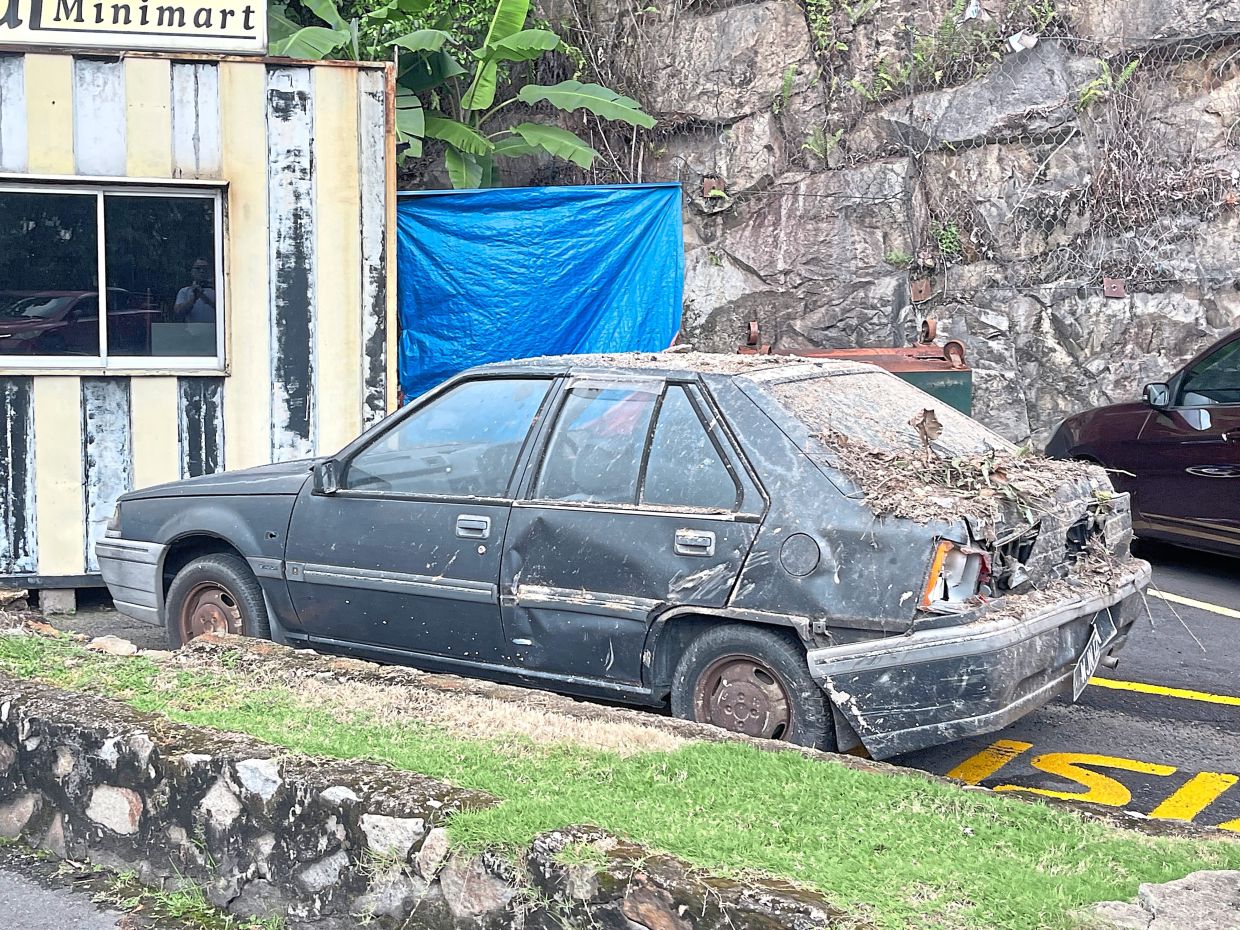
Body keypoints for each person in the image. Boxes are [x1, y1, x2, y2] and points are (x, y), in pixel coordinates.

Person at [173, 259, 216, 324]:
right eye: (198, 268)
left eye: (205, 268)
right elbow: (178, 312)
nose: (202, 271)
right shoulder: (184, 292)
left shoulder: (218, 291)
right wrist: (193, 300)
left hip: (215, 329)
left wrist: (205, 298)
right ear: (192, 271)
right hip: (193, 330)